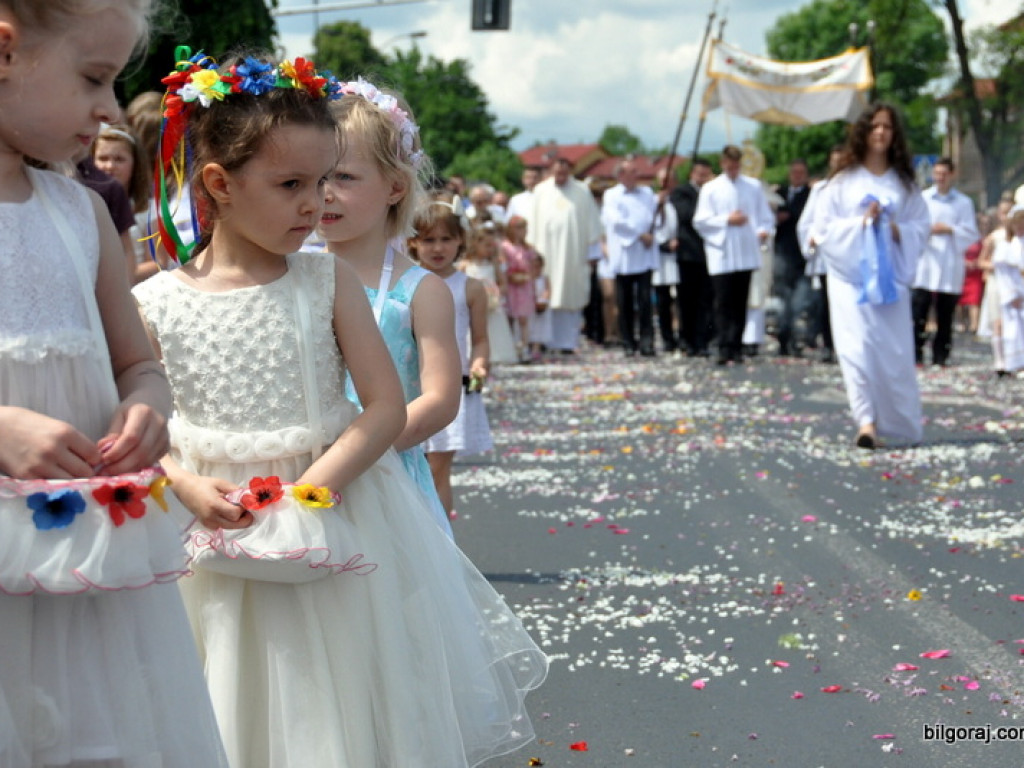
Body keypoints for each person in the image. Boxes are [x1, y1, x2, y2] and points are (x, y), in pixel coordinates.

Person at [133, 51, 545, 767]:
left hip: (332, 514)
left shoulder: (324, 282)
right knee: (219, 695)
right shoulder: (156, 302)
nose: (312, 203)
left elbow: (385, 406)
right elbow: (143, 424)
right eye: (291, 183)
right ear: (219, 184)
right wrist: (186, 483)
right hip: (205, 532)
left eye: (323, 181)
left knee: (333, 703)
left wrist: (312, 489)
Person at [0, 2, 230, 765]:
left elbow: (138, 362)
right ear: (5, 52)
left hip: (86, 560)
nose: (108, 110)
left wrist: (146, 407)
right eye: (94, 77)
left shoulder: (81, 215)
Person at [317, 78, 460, 538]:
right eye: (315, 176)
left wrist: (362, 451)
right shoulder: (292, 272)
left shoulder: (419, 289)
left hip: (387, 476)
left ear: (395, 187)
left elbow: (440, 398)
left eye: (343, 177)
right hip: (305, 468)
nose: (324, 192)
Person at [814, 102, 930, 448]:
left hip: (891, 281)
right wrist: (862, 223)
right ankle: (866, 422)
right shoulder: (843, 183)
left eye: (888, 127)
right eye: (876, 126)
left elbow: (920, 227)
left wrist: (893, 229)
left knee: (891, 353)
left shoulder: (904, 184)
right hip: (851, 281)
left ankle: (898, 421)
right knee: (857, 350)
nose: (881, 132)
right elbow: (824, 230)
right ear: (864, 131)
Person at [412, 199, 494, 517]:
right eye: (429, 239)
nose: (438, 248)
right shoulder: (405, 281)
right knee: (409, 473)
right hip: (409, 387)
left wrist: (479, 363)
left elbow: (481, 338)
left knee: (437, 470)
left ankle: (440, 547)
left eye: (446, 239)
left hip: (451, 389)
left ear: (460, 240)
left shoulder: (470, 287)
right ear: (413, 242)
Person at [694, 145, 774, 365]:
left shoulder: (753, 186)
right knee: (723, 301)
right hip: (723, 252)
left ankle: (736, 345)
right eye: (729, 165)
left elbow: (765, 217)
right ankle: (723, 345)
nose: (733, 169)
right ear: (723, 163)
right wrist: (726, 220)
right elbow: (700, 221)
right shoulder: (711, 188)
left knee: (740, 301)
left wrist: (763, 230)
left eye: (737, 165)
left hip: (746, 251)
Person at [529, 156, 603, 353]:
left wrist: (592, 254)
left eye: (564, 171)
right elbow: (533, 224)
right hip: (546, 252)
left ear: (570, 170)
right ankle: (544, 340)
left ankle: (568, 342)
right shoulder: (541, 191)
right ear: (551, 170)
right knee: (546, 294)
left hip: (574, 254)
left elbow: (592, 225)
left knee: (571, 295)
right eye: (557, 171)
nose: (560, 174)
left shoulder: (582, 190)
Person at [912, 157, 978, 366]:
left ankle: (941, 354)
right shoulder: (922, 198)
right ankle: (917, 353)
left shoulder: (963, 202)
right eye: (937, 173)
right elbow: (912, 226)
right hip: (926, 259)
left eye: (944, 174)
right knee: (920, 309)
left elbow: (970, 232)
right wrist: (927, 230)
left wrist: (949, 229)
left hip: (949, 258)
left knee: (945, 312)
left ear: (952, 175)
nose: (940, 178)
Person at [602, 157, 660, 356]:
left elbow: (654, 216)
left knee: (645, 300)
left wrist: (652, 231)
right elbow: (616, 221)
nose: (636, 175)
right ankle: (627, 340)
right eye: (631, 171)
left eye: (636, 171)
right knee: (624, 300)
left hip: (644, 253)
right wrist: (639, 233)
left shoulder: (647, 193)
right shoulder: (612, 195)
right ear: (620, 175)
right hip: (624, 253)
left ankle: (647, 341)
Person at [91, 122, 158, 282]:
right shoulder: (86, 204)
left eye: (119, 159)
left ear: (135, 164)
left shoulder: (147, 210)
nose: (109, 166)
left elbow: (157, 262)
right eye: (102, 158)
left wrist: (121, 276)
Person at [797, 145, 843, 364]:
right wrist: (811, 239)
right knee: (826, 304)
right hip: (827, 257)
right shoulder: (821, 189)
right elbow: (806, 222)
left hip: (849, 256)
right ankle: (829, 345)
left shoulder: (856, 187)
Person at [668, 158, 715, 357]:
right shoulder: (682, 192)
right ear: (692, 174)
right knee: (687, 300)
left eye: (707, 175)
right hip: (688, 253)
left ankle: (702, 340)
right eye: (700, 175)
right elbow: (686, 214)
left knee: (706, 301)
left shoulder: (714, 192)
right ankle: (686, 339)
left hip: (708, 254)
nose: (703, 179)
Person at [463, 220, 518, 363]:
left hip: (491, 305)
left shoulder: (493, 265)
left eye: (492, 246)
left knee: (493, 330)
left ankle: (494, 355)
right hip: (471, 306)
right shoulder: (467, 265)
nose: (490, 249)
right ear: (475, 244)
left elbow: (503, 284)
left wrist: (495, 292)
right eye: (487, 245)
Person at [773, 158, 812, 356]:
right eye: (794, 172)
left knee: (799, 302)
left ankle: (796, 338)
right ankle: (783, 337)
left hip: (802, 256)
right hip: (782, 253)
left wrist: (790, 214)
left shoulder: (810, 195)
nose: (797, 176)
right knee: (783, 301)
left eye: (801, 172)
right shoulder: (779, 194)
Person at [502, 215, 539, 361]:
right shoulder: (505, 246)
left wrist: (529, 275)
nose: (522, 231)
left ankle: (524, 346)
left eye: (524, 228)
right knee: (509, 317)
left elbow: (534, 265)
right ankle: (510, 347)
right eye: (518, 228)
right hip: (511, 285)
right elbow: (504, 265)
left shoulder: (528, 248)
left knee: (523, 318)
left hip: (524, 286)